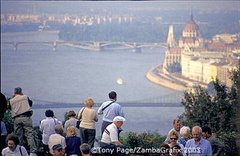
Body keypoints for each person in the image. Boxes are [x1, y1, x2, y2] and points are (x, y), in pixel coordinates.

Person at [9, 87, 37, 156]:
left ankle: (19, 151)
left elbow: (10, 108)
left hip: (16, 118)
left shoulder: (11, 100)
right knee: (29, 134)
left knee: (18, 136)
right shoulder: (25, 97)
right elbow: (30, 103)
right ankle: (32, 151)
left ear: (14, 92)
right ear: (21, 92)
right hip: (26, 117)